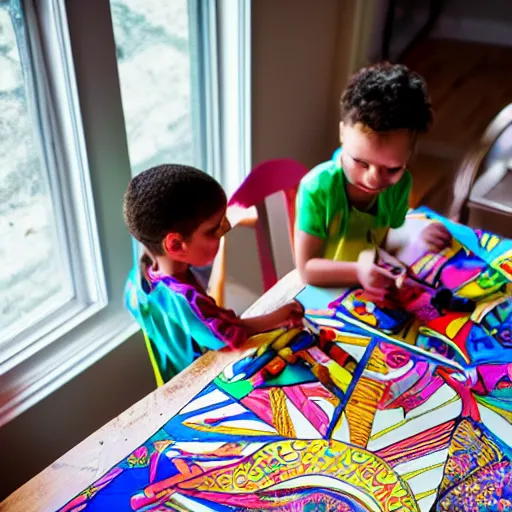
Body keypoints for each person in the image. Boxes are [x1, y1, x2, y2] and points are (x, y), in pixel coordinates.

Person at [123, 164, 303, 381]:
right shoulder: (185, 300)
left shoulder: (139, 275)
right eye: (215, 230)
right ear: (176, 245)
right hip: (196, 379)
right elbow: (226, 336)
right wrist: (277, 316)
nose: (225, 230)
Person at [294, 62, 451, 298]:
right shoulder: (317, 189)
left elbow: (386, 237)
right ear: (342, 134)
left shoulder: (400, 184)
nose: (374, 180)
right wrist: (358, 271)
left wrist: (416, 234)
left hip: (373, 287)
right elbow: (306, 270)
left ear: (410, 154)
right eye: (360, 162)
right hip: (325, 295)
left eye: (392, 168)